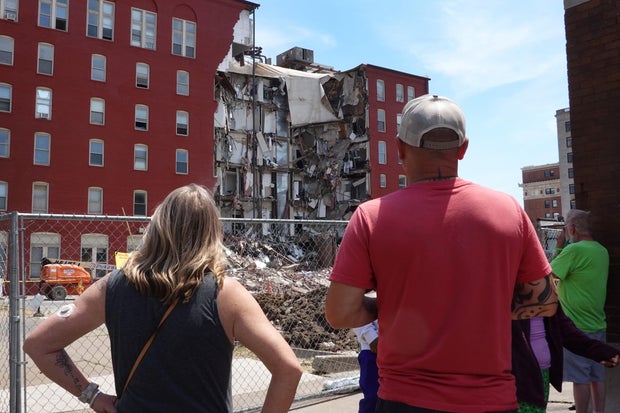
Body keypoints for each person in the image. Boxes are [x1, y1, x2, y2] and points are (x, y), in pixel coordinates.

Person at [325, 94, 558, 413]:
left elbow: (340, 313)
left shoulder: (371, 217)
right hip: (492, 401)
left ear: (399, 147)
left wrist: (394, 302)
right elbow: (544, 301)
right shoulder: (507, 210)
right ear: (463, 148)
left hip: (404, 400)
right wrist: (481, 306)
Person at [23, 184, 302, 413]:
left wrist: (91, 395)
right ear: (211, 234)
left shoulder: (111, 287)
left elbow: (39, 344)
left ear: (158, 226)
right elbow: (288, 368)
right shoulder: (226, 294)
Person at [551, 209, 609, 413]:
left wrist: (558, 247)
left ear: (572, 228)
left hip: (576, 327)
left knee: (579, 378)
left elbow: (550, 275)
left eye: (566, 228)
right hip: (598, 323)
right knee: (597, 375)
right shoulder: (602, 251)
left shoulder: (573, 251)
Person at [512, 306, 619, 413]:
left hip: (542, 374)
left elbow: (566, 331)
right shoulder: (507, 296)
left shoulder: (548, 295)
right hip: (515, 376)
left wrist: (602, 352)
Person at [353, 320, 379, 413]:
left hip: (401, 348)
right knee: (373, 398)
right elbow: (356, 312)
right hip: (372, 349)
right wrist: (371, 336)